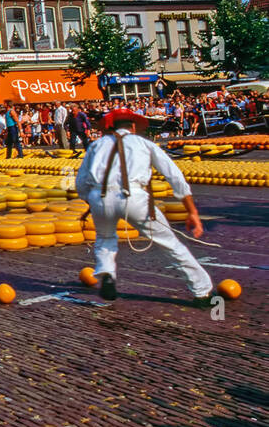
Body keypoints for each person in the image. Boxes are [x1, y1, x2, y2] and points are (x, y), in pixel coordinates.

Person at [74, 106, 214, 306]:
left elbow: (81, 182)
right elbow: (174, 176)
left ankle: (107, 273)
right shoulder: (143, 144)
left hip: (100, 195)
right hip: (134, 196)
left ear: (112, 126)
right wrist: (192, 211)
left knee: (105, 238)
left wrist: (93, 201)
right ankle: (202, 292)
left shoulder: (98, 145)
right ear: (132, 126)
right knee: (169, 243)